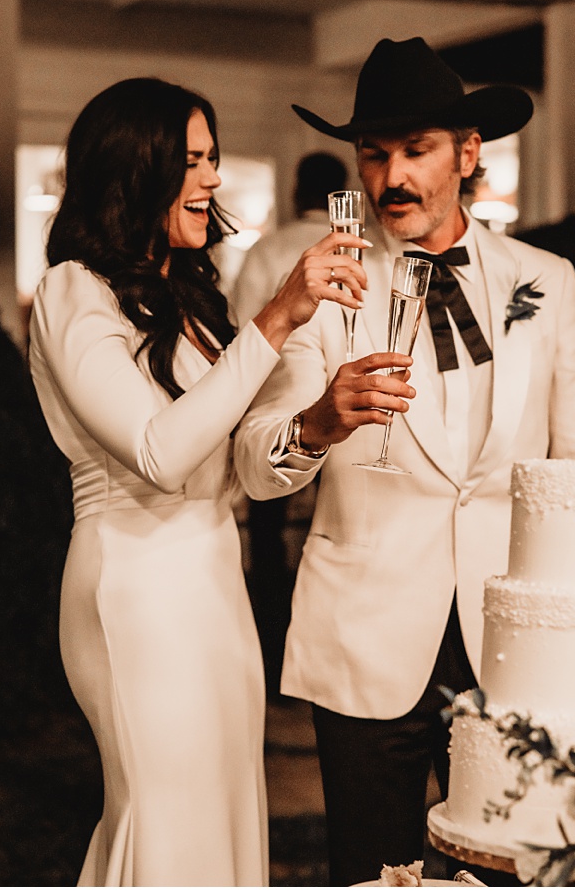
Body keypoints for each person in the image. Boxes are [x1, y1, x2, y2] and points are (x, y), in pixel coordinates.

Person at [234, 37, 575, 885]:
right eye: (374, 155)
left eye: (416, 151)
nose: (391, 177)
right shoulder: (324, 285)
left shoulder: (546, 281)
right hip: (366, 640)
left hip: (516, 651)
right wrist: (320, 422)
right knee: (372, 873)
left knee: (519, 870)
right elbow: (256, 466)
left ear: (468, 153)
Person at [27, 77, 370, 885]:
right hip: (136, 588)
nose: (213, 179)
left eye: (213, 157)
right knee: (163, 819)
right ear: (134, 168)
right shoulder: (73, 288)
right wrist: (277, 316)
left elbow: (241, 465)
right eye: (193, 159)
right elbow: (159, 452)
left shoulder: (188, 297)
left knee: (224, 811)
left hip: (215, 582)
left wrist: (318, 419)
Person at [230, 151, 348, 699]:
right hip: (347, 411)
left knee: (269, 531)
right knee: (341, 525)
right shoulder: (355, 251)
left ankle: (277, 637)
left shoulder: (266, 250)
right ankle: (326, 639)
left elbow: (239, 331)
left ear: (296, 185)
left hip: (270, 409)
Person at [231, 151, 347, 328]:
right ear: (344, 195)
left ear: (297, 192)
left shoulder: (265, 249)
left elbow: (242, 320)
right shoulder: (362, 246)